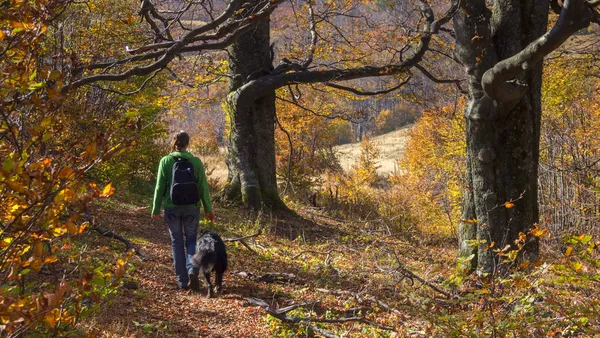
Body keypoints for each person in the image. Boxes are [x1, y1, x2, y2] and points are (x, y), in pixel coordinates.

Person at [152, 131, 215, 290]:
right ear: (188, 143)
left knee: (177, 242)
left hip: (171, 207)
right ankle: (192, 269)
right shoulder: (196, 162)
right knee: (192, 240)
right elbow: (203, 187)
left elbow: (160, 187)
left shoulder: (165, 161)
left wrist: (155, 208)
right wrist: (208, 209)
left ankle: (182, 281)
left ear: (174, 142)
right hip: (192, 208)